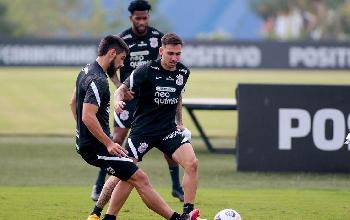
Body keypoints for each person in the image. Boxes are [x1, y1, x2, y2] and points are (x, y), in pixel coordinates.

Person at [70, 35, 201, 220]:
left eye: (178, 54)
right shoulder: (146, 70)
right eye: (170, 53)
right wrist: (118, 102)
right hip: (143, 131)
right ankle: (100, 211)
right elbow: (121, 89)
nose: (174, 58)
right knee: (126, 174)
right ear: (161, 51)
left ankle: (188, 214)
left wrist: (179, 122)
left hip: (168, 130)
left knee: (192, 163)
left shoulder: (183, 73)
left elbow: (178, 96)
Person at [91, 0, 184, 203]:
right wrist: (120, 88)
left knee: (168, 140)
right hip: (129, 98)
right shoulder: (123, 39)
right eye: (138, 18)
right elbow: (110, 69)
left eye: (145, 17)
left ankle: (176, 186)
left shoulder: (158, 38)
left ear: (148, 16)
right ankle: (99, 184)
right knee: (116, 140)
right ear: (131, 18)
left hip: (152, 101)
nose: (142, 21)